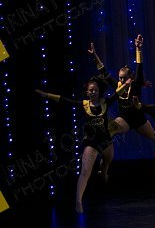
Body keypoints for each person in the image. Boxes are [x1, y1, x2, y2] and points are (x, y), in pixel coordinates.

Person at [35, 76, 121, 212]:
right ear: (87, 92)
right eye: (91, 90)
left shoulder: (105, 102)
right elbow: (64, 100)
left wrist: (128, 84)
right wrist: (46, 95)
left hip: (106, 141)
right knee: (85, 171)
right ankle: (78, 201)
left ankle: (103, 173)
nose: (93, 92)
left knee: (107, 161)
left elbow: (117, 94)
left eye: (95, 90)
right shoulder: (84, 105)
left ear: (99, 91)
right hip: (91, 143)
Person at [88, 35, 155, 142]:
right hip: (125, 119)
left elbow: (139, 66)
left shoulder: (135, 84)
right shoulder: (117, 86)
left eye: (124, 78)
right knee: (110, 129)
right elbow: (103, 71)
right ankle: (103, 149)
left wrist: (138, 48)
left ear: (130, 77)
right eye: (120, 78)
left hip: (139, 120)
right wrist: (95, 55)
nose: (122, 80)